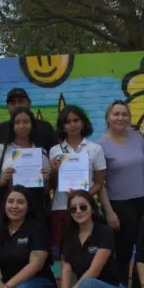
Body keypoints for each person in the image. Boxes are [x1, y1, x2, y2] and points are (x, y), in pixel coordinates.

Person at [98, 101, 144, 288]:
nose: (120, 118)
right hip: (119, 205)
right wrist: (109, 212)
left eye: (124, 114)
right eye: (116, 114)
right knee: (122, 253)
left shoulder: (138, 138)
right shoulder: (100, 145)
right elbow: (99, 183)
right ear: (108, 117)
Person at [48, 105, 106, 260]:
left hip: (86, 208)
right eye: (67, 122)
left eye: (76, 120)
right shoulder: (55, 150)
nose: (72, 125)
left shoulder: (95, 149)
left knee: (88, 252)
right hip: (61, 207)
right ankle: (67, 285)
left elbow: (99, 184)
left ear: (83, 122)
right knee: (65, 255)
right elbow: (51, 185)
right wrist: (53, 171)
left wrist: (82, 196)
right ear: (62, 126)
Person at [0, 106, 51, 228]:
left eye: (26, 122)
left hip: (35, 208)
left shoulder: (40, 151)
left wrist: (45, 179)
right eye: (17, 122)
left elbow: (46, 189)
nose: (22, 126)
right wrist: (2, 180)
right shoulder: (1, 150)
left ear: (32, 125)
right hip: (8, 205)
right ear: (12, 125)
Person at [0, 87, 58, 157]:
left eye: (21, 101)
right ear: (7, 106)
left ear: (29, 103)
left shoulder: (45, 127)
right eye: (13, 103)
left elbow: (55, 155)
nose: (17, 105)